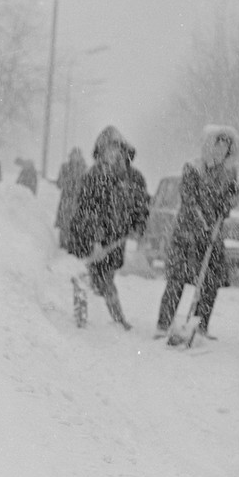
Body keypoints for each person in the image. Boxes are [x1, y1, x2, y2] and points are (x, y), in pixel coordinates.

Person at [155, 124, 239, 340]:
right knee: (178, 278)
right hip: (188, 233)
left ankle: (200, 326)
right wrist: (203, 226)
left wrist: (227, 205)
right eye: (217, 146)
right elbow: (189, 200)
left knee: (211, 281)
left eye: (225, 147)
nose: (221, 151)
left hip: (213, 235)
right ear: (209, 146)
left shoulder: (229, 173)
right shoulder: (193, 168)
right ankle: (164, 324)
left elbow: (230, 198)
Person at [67, 126, 150, 330]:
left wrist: (138, 225)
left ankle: (116, 318)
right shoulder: (94, 175)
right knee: (83, 276)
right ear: (100, 151)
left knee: (106, 277)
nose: (112, 154)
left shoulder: (134, 178)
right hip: (90, 236)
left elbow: (142, 205)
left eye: (116, 148)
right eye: (106, 149)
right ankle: (82, 318)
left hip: (115, 237)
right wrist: (94, 237)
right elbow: (85, 208)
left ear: (123, 150)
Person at [54, 147, 87, 250]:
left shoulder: (84, 169)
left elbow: (87, 186)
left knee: (76, 223)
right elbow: (59, 183)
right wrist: (65, 181)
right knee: (64, 223)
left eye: (77, 155)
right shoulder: (65, 167)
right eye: (73, 155)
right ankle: (63, 244)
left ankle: (74, 245)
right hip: (66, 199)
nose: (75, 157)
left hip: (78, 200)